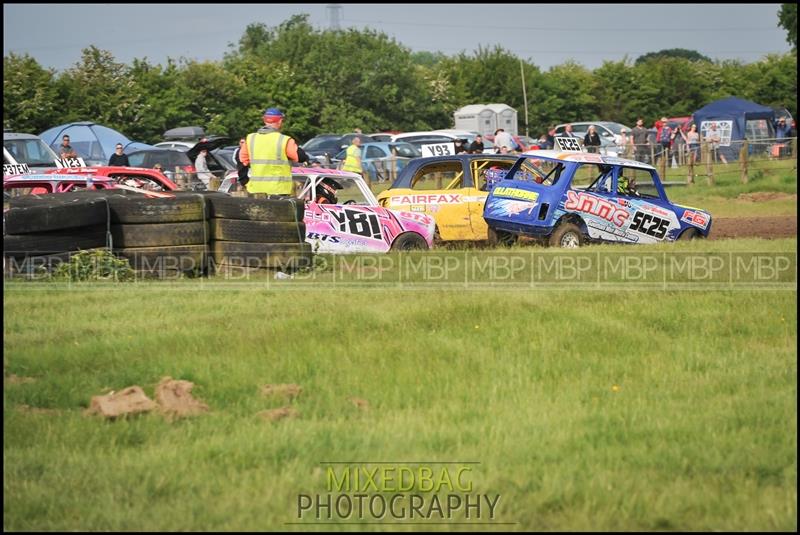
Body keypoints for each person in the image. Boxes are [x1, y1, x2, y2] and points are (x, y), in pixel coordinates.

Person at [239, 107, 309, 195]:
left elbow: (242, 162)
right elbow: (301, 157)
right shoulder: (284, 140)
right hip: (279, 192)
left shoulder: (250, 139)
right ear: (280, 121)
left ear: (264, 121)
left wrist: (244, 182)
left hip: (256, 191)